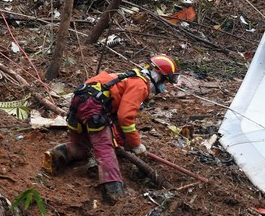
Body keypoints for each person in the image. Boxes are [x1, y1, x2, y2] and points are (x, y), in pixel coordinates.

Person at [47, 55, 180, 203]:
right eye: (164, 81)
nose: (163, 87)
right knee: (104, 149)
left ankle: (59, 154)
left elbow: (116, 118)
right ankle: (114, 194)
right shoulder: (140, 85)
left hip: (80, 102)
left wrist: (122, 141)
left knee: (84, 146)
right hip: (93, 107)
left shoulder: (128, 77)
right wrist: (136, 144)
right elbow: (125, 117)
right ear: (157, 76)